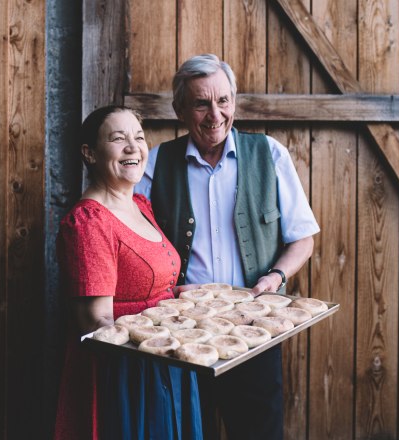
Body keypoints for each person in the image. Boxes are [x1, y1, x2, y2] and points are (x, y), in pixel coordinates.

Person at [135, 54, 320, 439]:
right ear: (180, 109)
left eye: (223, 101)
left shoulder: (270, 155)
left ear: (234, 102)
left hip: (256, 330)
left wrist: (275, 277)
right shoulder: (157, 163)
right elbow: (135, 242)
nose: (214, 114)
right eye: (201, 103)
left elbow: (303, 238)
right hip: (181, 332)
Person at [54, 105, 203, 439]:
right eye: (118, 139)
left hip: (165, 359)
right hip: (126, 375)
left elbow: (143, 290)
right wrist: (167, 327)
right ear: (89, 153)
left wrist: (183, 299)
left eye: (138, 137)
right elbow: (96, 321)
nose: (133, 147)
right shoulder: (89, 223)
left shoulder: (140, 205)